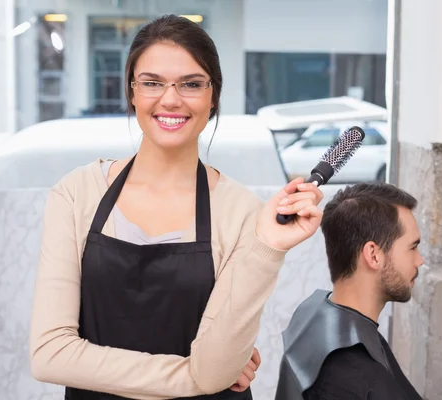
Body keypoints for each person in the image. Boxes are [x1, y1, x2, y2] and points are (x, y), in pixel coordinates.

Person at [29, 14, 324, 400]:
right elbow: (50, 355)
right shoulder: (76, 194)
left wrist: (268, 245)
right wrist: (196, 377)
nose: (170, 98)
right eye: (152, 83)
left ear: (213, 96)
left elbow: (219, 364)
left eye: (191, 84)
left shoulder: (243, 213)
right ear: (131, 92)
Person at [275, 182, 424, 400]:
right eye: (412, 247)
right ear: (373, 255)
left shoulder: (314, 314)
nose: (420, 261)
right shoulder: (347, 376)